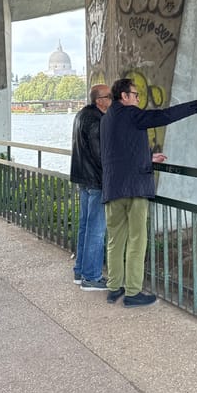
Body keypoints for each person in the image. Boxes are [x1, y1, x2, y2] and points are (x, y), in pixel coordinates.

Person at [100, 78, 197, 307]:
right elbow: (165, 116)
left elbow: (120, 149)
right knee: (137, 241)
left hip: (113, 187)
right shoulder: (132, 113)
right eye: (135, 95)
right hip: (134, 188)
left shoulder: (107, 119)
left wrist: (146, 157)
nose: (138, 99)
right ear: (124, 96)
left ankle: (114, 288)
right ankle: (133, 292)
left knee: (115, 241)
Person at [69, 83, 113, 290]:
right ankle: (92, 277)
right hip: (97, 181)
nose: (113, 99)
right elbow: (100, 154)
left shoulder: (81, 115)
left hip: (83, 179)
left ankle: (80, 271)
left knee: (86, 227)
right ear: (100, 101)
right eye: (109, 96)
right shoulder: (98, 120)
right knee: (96, 231)